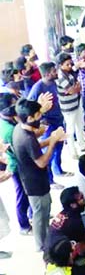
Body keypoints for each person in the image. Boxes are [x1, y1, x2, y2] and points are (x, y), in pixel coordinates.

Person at [12, 98, 66, 251]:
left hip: (33, 178)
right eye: (37, 115)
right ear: (29, 118)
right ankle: (41, 245)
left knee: (43, 211)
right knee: (40, 215)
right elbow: (41, 162)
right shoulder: (27, 138)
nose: (40, 118)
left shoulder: (20, 130)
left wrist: (49, 140)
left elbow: (34, 149)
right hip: (35, 182)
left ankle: (44, 238)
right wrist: (53, 142)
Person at [28, 62, 70, 182]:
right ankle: (49, 179)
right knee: (48, 151)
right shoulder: (38, 87)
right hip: (48, 123)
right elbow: (29, 107)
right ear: (46, 74)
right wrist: (42, 118)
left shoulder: (53, 83)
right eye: (53, 71)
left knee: (59, 147)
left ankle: (58, 170)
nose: (56, 72)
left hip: (58, 119)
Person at [0, 98, 32, 235]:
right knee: (22, 194)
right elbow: (13, 154)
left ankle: (31, 215)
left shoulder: (7, 121)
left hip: (19, 163)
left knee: (27, 192)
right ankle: (24, 225)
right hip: (17, 166)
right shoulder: (10, 130)